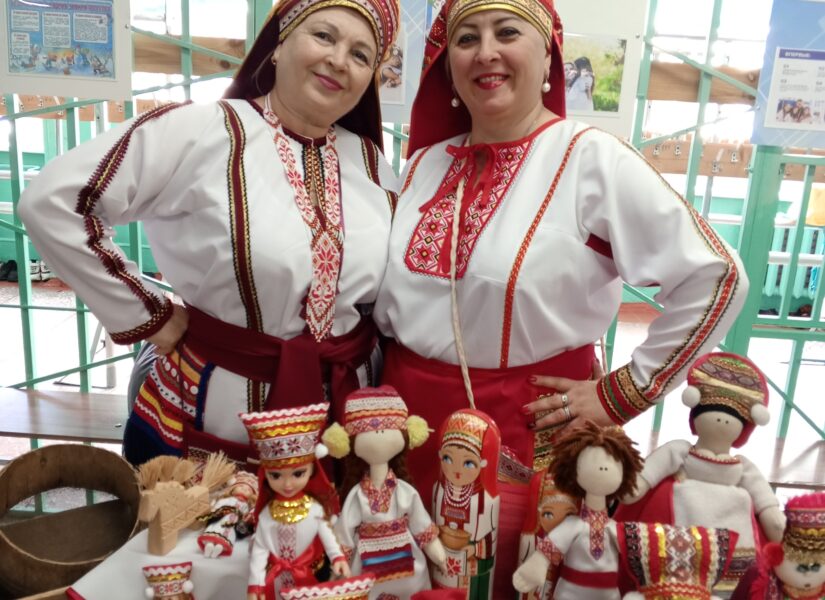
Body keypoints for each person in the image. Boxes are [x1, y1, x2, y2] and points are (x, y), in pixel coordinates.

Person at [372, 0, 748, 594]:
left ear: (548, 57)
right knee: (404, 577)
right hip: (405, 430)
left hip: (526, 431)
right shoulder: (423, 165)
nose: (486, 52)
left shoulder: (590, 157)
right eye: (466, 38)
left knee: (512, 578)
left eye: (506, 32)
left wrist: (622, 392)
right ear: (447, 65)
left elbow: (717, 276)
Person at [18, 0, 400, 466]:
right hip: (210, 414)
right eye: (324, 36)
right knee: (210, 513)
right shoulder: (200, 130)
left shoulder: (370, 161)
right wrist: (150, 314)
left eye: (361, 55)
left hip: (341, 420)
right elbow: (53, 202)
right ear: (278, 45)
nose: (339, 60)